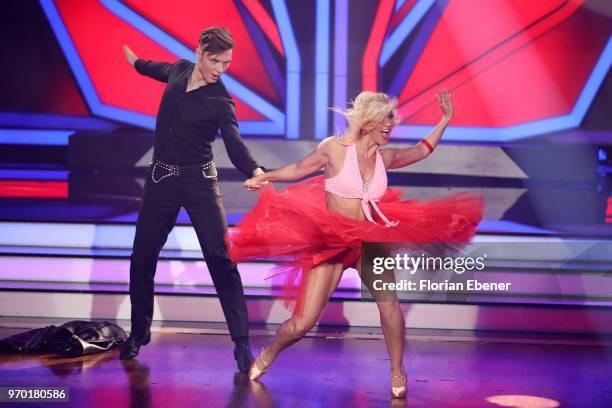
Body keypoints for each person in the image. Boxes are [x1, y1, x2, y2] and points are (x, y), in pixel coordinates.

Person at [226, 90, 483, 397]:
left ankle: (398, 369)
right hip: (333, 242)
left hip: (369, 241)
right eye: (385, 118)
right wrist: (265, 177)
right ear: (367, 121)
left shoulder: (384, 157)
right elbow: (298, 169)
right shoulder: (334, 149)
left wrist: (445, 120)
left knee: (390, 304)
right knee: (302, 323)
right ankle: (271, 351)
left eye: (392, 118)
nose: (391, 124)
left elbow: (422, 150)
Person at [119, 27, 265, 373]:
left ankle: (241, 342)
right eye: (215, 60)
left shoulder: (221, 100)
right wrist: (136, 61)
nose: (220, 69)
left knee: (220, 257)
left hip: (200, 182)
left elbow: (234, 144)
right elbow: (155, 67)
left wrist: (254, 169)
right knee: (141, 257)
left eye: (227, 63)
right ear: (199, 51)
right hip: (161, 180)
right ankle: (138, 333)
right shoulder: (180, 69)